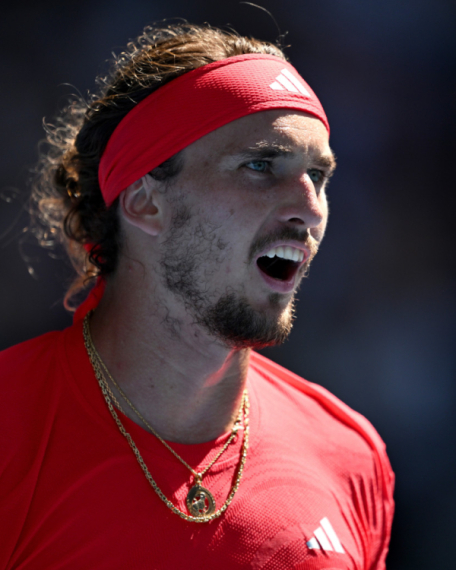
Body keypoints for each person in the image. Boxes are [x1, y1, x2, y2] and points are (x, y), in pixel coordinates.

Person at [0, 22, 394, 569]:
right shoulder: (12, 427)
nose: (309, 209)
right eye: (260, 166)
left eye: (318, 176)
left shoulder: (350, 454)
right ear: (145, 202)